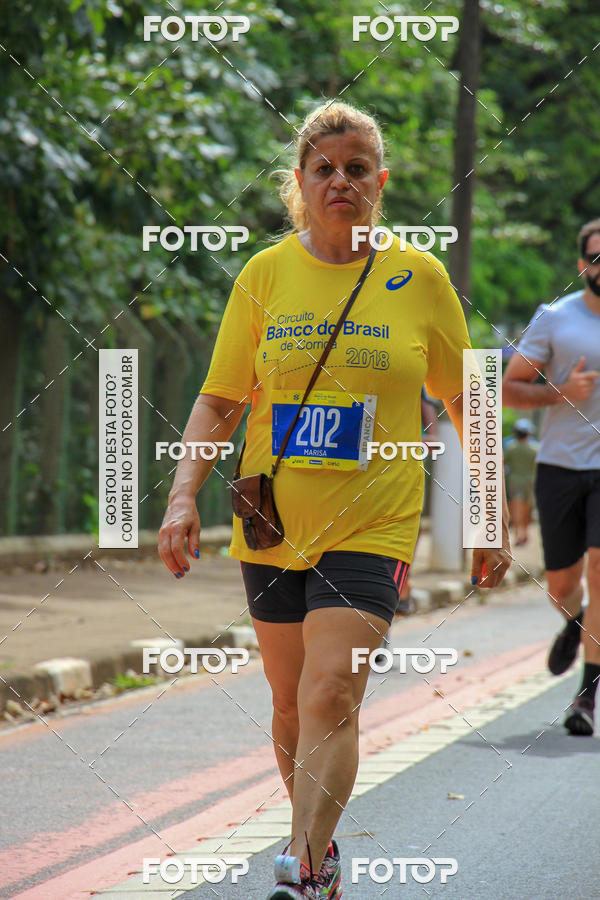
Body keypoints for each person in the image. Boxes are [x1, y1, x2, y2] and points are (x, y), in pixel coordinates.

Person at [159, 101, 511, 899]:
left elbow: (469, 401)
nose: (340, 181)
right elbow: (219, 399)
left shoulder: (419, 278)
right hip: (273, 522)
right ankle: (316, 850)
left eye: (357, 169)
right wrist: (182, 498)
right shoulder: (264, 275)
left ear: (380, 183)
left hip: (374, 523)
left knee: (331, 692)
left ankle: (303, 869)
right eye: (324, 169)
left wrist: (487, 516)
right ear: (300, 182)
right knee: (290, 705)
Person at [503, 218, 600, 736]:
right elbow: (508, 389)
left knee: (599, 573)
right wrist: (563, 392)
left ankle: (586, 697)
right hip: (560, 466)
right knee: (563, 584)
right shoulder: (555, 319)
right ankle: (577, 620)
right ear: (582, 265)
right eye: (597, 257)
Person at [503, 418, 538, 546]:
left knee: (515, 507)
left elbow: (503, 462)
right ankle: (525, 533)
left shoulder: (510, 447)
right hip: (530, 482)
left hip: (514, 481)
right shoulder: (535, 448)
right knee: (527, 508)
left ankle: (518, 534)